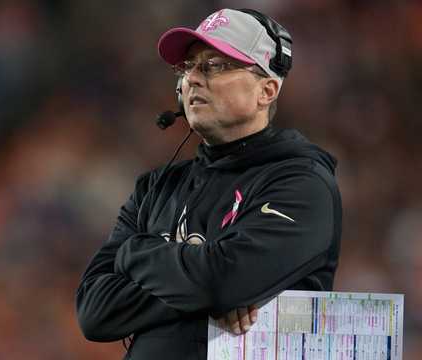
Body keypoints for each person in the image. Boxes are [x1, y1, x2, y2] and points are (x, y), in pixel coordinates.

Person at [75, 8, 342, 359]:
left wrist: (133, 253)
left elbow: (221, 281)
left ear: (267, 90)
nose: (193, 79)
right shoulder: (155, 188)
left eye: (214, 65)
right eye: (188, 67)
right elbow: (95, 313)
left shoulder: (303, 184)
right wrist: (205, 290)